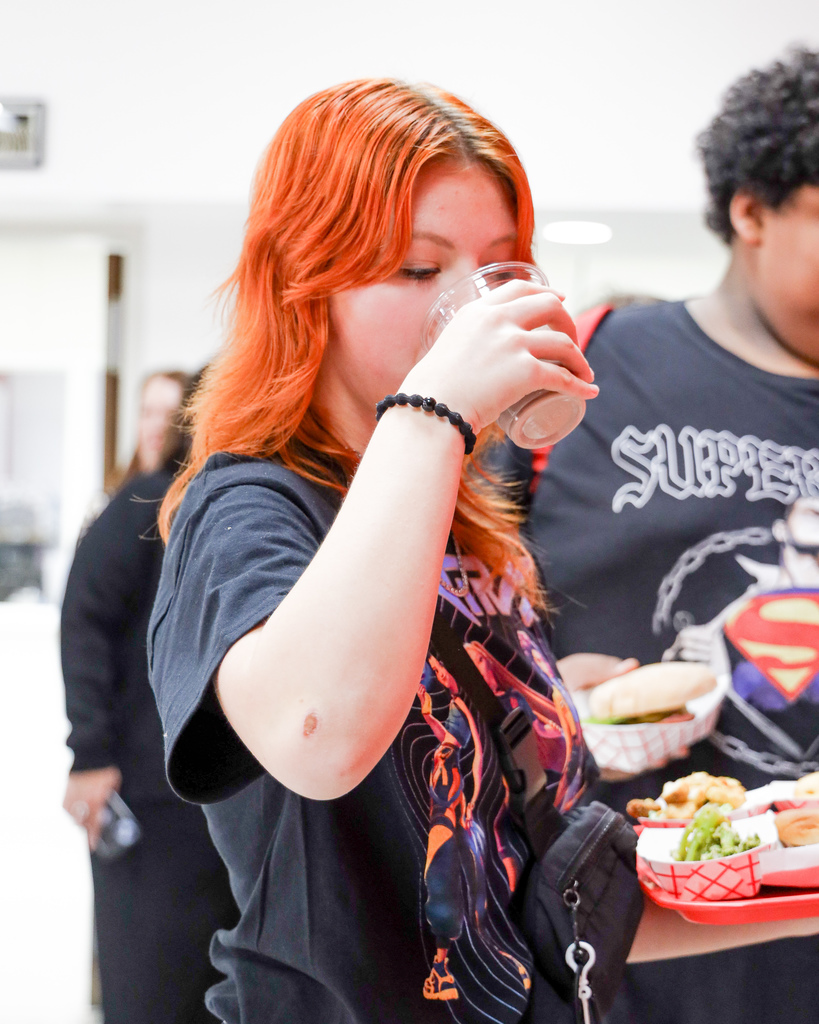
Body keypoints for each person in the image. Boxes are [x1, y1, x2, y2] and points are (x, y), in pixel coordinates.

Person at [147, 78, 819, 1024]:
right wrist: (435, 412)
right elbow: (318, 737)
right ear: (305, 285)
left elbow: (550, 892)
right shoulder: (252, 504)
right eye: (419, 271)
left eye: (498, 266)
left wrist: (790, 879)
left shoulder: (462, 520)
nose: (466, 304)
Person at [517, 48, 819, 1024]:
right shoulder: (586, 369)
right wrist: (540, 705)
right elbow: (447, 628)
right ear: (752, 209)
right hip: (618, 958)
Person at [62, 374, 237, 1024]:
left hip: (226, 799)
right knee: (151, 987)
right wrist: (90, 753)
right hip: (148, 790)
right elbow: (84, 623)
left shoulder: (250, 503)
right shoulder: (148, 501)